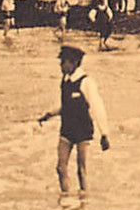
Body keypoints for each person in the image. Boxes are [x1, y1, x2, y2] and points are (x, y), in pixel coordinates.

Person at [37, 46, 112, 195]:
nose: (60, 65)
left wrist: (104, 134)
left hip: (83, 130)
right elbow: (66, 106)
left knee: (81, 169)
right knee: (60, 167)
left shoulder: (86, 82)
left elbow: (97, 107)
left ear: (74, 62)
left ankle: (84, 203)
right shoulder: (65, 81)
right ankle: (66, 199)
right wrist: (50, 114)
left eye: (63, 62)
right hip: (67, 129)